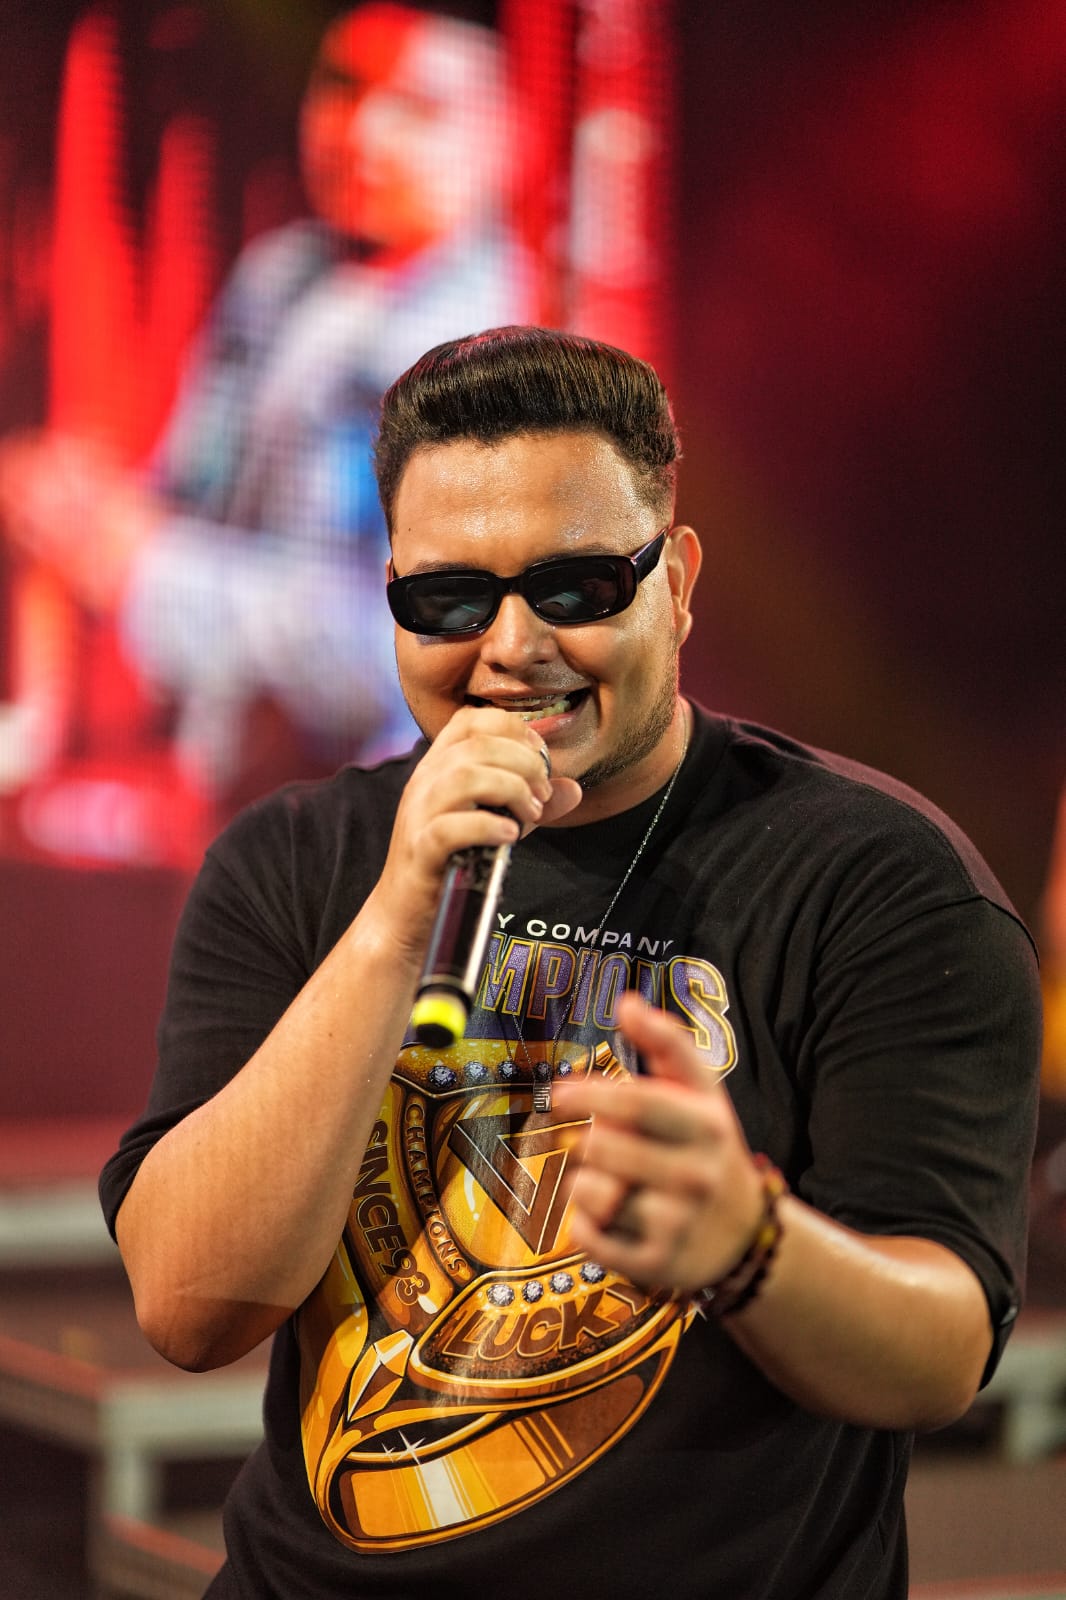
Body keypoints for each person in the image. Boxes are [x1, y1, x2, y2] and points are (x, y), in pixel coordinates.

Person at [100, 325, 1041, 1598]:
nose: (511, 645)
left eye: (576, 587)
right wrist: (396, 913)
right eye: (448, 597)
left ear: (677, 583)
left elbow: (941, 1354)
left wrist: (749, 1244)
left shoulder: (873, 880)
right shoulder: (297, 859)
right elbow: (187, 1305)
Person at [0, 2, 528, 849]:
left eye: (418, 108)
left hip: (393, 831)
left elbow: (405, 647)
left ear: (508, 134)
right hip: (229, 800)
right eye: (343, 87)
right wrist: (81, 508)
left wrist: (147, 571)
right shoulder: (281, 276)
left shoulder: (501, 353)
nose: (361, 132)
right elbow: (188, 497)